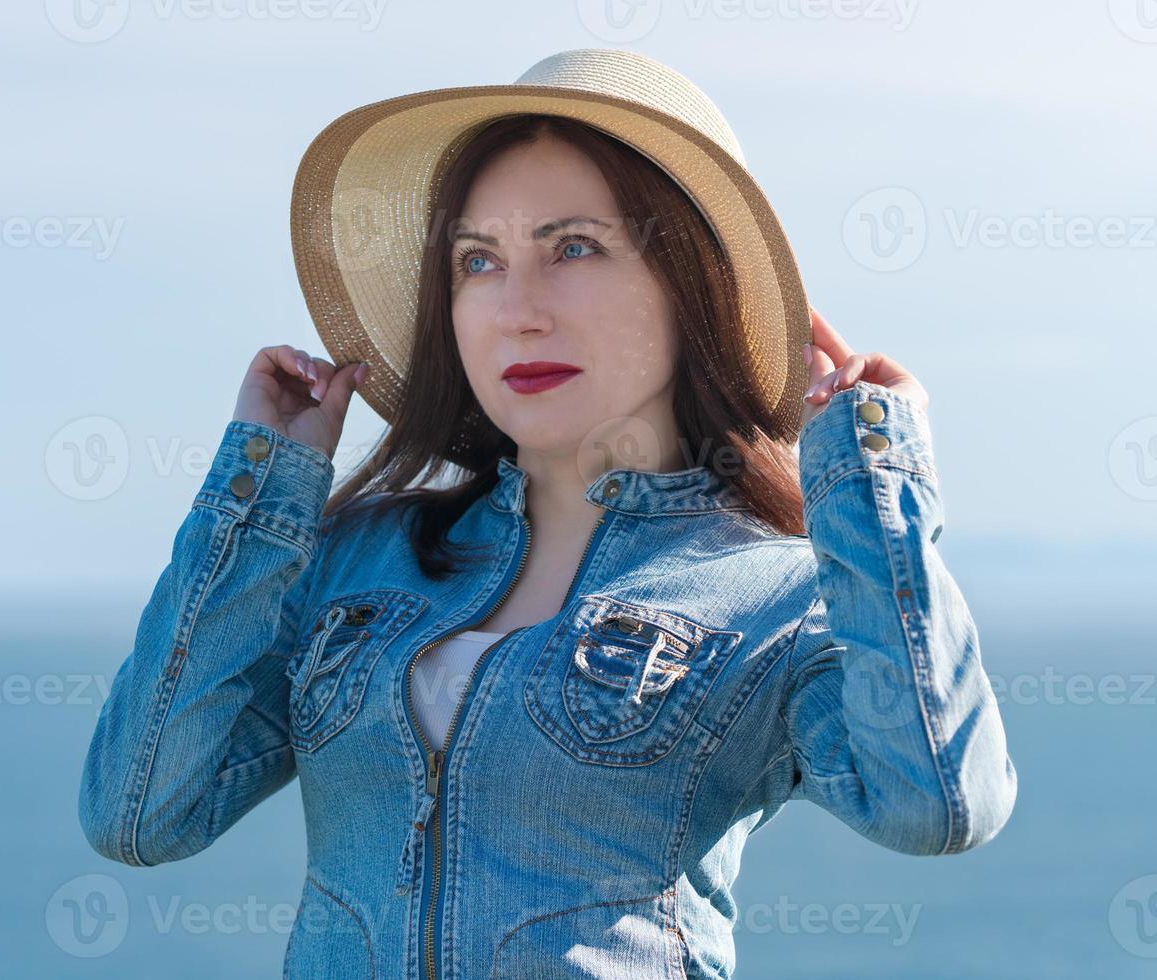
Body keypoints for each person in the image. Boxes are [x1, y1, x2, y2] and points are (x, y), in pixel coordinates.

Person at [79, 49, 1017, 979]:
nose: (516, 311)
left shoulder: (774, 588)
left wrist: (871, 477)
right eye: (479, 261)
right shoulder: (357, 558)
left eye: (574, 248)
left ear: (694, 287)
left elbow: (935, 804)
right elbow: (141, 813)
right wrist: (264, 487)